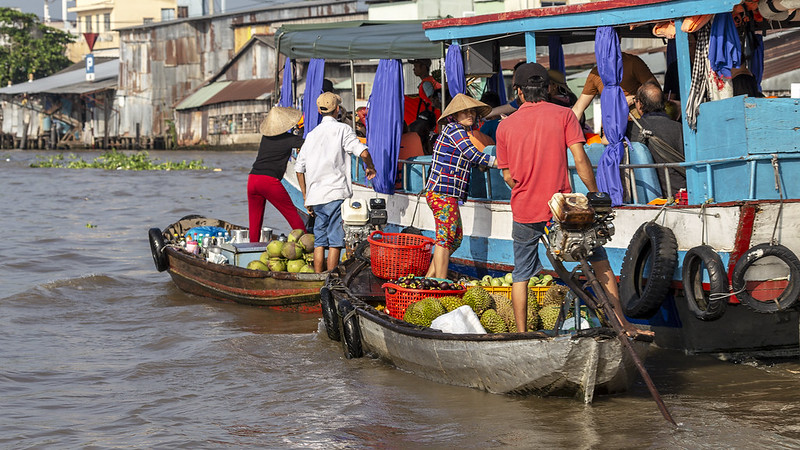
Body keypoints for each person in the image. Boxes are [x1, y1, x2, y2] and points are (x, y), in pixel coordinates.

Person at [495, 62, 646, 337]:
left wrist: (525, 186)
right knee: (598, 260)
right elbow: (580, 158)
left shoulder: (505, 127)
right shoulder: (564, 115)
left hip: (525, 209)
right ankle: (623, 326)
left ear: (518, 92)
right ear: (548, 89)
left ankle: (521, 334)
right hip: (564, 210)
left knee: (521, 273)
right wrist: (595, 195)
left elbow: (507, 176)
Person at [295, 92, 377, 272]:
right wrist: (370, 167)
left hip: (316, 197)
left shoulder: (311, 135)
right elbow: (363, 152)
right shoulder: (343, 130)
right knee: (335, 242)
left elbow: (299, 169)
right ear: (337, 110)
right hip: (335, 194)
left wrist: (305, 196)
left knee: (319, 241)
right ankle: (330, 278)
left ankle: (317, 279)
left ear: (319, 110)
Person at [424, 93, 496, 279]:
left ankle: (429, 279)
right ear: (454, 115)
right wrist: (500, 162)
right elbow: (472, 153)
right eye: (464, 112)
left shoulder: (457, 132)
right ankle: (440, 283)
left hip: (446, 194)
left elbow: (465, 158)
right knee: (445, 239)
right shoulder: (455, 130)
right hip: (441, 193)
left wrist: (479, 164)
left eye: (472, 111)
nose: (470, 115)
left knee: (454, 239)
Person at [248, 107, 307, 242]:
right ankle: (306, 243)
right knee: (292, 215)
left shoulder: (266, 138)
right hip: (268, 181)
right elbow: (309, 144)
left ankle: (252, 247)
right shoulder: (290, 139)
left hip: (253, 179)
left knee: (255, 220)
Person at [627, 81, 686, 197]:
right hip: (682, 193)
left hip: (653, 196)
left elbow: (609, 134)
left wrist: (623, 105)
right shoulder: (679, 127)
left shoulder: (634, 128)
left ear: (640, 105)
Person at [572, 52, 659, 121]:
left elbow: (655, 90)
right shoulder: (595, 73)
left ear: (619, 39)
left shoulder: (632, 62)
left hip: (636, 124)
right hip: (611, 127)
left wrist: (634, 99)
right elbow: (578, 109)